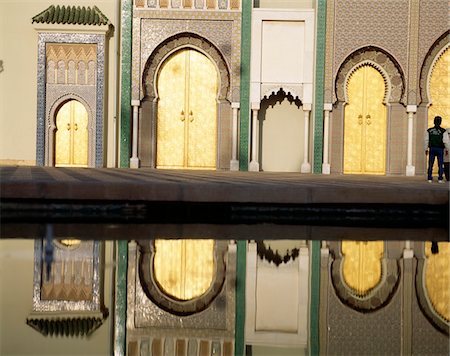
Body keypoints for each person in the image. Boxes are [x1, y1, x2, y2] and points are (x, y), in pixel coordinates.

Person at [424, 116, 449, 183]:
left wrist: (426, 149)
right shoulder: (443, 131)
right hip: (440, 149)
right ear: (440, 122)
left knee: (430, 164)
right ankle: (440, 178)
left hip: (432, 148)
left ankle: (429, 178)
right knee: (440, 164)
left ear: (434, 121)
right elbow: (446, 141)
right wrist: (447, 149)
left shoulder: (429, 130)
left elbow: (426, 140)